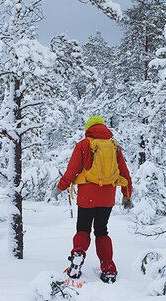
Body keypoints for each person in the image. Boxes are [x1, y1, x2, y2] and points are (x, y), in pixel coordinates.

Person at [53, 115, 133, 283]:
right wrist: (127, 194)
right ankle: (108, 268)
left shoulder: (83, 145)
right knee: (102, 230)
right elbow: (125, 173)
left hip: (87, 196)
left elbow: (71, 171)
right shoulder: (114, 147)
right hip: (107, 196)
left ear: (88, 129)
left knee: (83, 228)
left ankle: (78, 254)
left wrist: (59, 188)